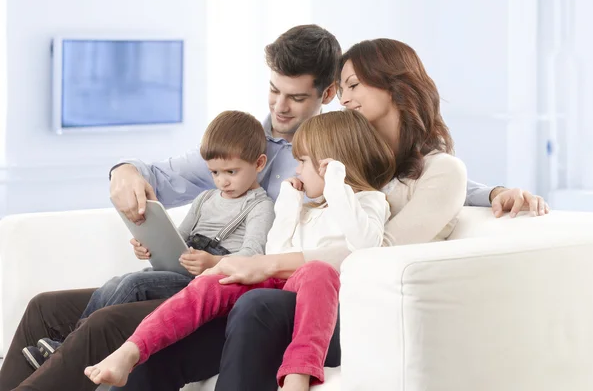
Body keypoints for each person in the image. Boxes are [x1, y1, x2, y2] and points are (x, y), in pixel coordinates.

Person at [0, 25, 545, 391]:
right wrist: (125, 170)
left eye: (302, 97)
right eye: (273, 92)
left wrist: (495, 192)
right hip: (238, 275)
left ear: (327, 94)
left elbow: (414, 204)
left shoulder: (356, 157)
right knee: (49, 305)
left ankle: (76, 352)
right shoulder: (264, 142)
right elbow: (176, 173)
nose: (280, 109)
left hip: (283, 286)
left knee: (115, 314)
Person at [84, 110, 396, 391]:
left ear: (331, 166)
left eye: (302, 162)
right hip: (282, 283)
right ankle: (132, 349)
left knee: (317, 270)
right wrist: (289, 204)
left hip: (316, 290)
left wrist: (336, 184)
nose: (297, 170)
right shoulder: (306, 208)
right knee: (210, 281)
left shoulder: (367, 202)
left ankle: (299, 371)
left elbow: (363, 244)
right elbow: (276, 249)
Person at [19, 110, 275, 370]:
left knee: (133, 284)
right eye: (214, 173)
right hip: (183, 269)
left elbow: (253, 256)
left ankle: (65, 350)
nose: (222, 181)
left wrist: (213, 261)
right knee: (116, 283)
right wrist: (152, 245)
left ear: (259, 163)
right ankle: (66, 344)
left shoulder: (260, 206)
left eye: (231, 171)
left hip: (208, 282)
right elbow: (180, 237)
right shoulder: (206, 199)